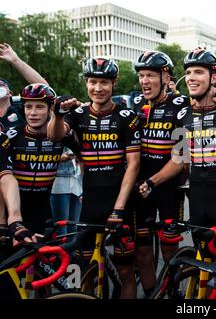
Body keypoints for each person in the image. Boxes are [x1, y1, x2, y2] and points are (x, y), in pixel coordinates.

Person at [140, 48, 216, 259]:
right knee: (203, 261)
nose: (191, 78)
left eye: (198, 72)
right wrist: (152, 182)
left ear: (214, 77)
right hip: (197, 192)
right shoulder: (184, 114)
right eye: (188, 72)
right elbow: (180, 157)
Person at [47, 57, 141, 298]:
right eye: (92, 82)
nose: (98, 88)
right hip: (89, 202)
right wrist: (57, 115)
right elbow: (55, 136)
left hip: (120, 202)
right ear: (86, 83)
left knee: (125, 270)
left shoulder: (127, 116)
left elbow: (133, 165)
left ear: (114, 84)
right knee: (85, 270)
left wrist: (119, 208)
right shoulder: (77, 114)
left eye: (104, 83)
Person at [130, 50, 190, 297]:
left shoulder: (181, 105)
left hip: (168, 188)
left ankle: (174, 294)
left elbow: (181, 156)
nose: (144, 81)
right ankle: (152, 293)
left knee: (169, 252)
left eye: (150, 75)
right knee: (142, 250)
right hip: (140, 190)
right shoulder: (135, 105)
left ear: (166, 77)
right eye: (141, 76)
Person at [5, 84, 74, 235]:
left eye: (39, 107)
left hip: (44, 213)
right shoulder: (10, 136)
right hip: (13, 212)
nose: (32, 113)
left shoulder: (61, 135)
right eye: (28, 107)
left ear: (50, 109)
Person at [0, 43, 47, 132]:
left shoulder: (24, 111)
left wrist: (15, 60)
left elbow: (43, 88)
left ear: (10, 93)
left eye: (1, 84)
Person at [50, 147, 82, 235]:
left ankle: (71, 248)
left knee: (74, 226)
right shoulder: (53, 137)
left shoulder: (74, 137)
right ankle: (61, 248)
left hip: (77, 182)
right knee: (61, 228)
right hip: (60, 183)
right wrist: (59, 158)